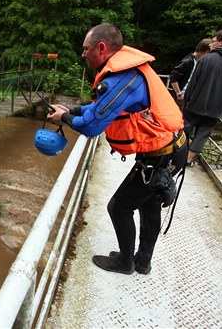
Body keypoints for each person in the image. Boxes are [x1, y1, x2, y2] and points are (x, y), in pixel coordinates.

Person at [48, 23, 187, 275]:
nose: (82, 54)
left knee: (119, 207)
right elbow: (100, 110)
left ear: (101, 48)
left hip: (161, 157)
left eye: (85, 49)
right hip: (171, 147)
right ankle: (142, 262)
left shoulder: (120, 78)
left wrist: (64, 119)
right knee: (149, 204)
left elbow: (91, 127)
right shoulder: (126, 72)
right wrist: (72, 111)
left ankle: (125, 263)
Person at [183, 30, 222, 165]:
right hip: (216, 108)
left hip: (196, 104)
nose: (210, 44)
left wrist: (187, 100)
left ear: (221, 42)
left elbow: (193, 83)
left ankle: (178, 156)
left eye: (213, 41)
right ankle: (188, 159)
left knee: (184, 129)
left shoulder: (206, 59)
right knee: (203, 135)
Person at [169, 38, 212, 110]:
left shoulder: (198, 62)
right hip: (182, 97)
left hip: (190, 98)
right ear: (206, 52)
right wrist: (179, 94)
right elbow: (173, 77)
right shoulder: (188, 61)